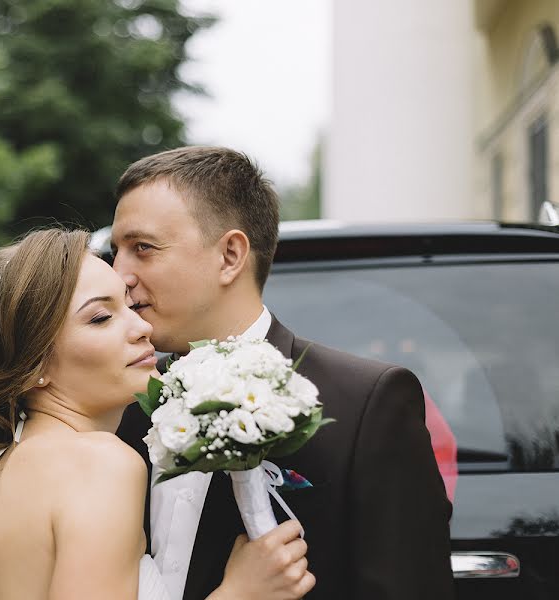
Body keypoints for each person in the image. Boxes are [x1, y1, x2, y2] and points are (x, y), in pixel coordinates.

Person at [0, 228, 314, 600]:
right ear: (32, 365)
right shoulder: (98, 464)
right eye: (100, 318)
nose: (142, 328)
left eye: (129, 307)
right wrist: (241, 594)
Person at [112, 146, 455, 600]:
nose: (119, 274)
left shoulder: (365, 403)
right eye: (115, 251)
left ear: (231, 255)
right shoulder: (124, 406)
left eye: (142, 249)